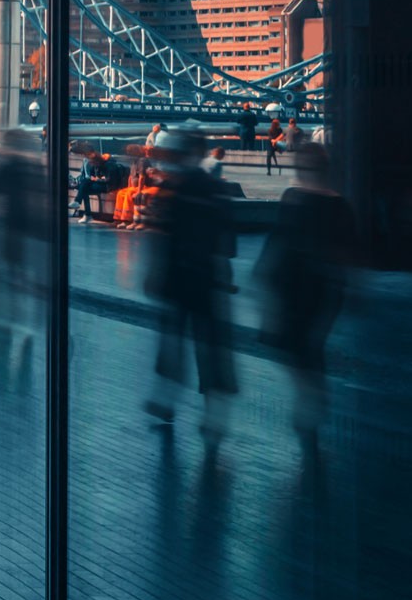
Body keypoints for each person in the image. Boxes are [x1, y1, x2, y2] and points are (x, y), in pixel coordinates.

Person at [141, 128, 239, 444]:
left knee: (172, 341)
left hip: (177, 276)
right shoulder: (213, 189)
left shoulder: (174, 189)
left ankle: (167, 401)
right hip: (206, 277)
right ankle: (214, 414)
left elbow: (162, 234)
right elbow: (228, 239)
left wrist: (155, 272)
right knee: (209, 347)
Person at [255, 143, 351, 442]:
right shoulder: (332, 204)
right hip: (310, 285)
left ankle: (310, 397)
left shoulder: (297, 199)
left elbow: (278, 238)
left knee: (298, 344)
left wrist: (262, 270)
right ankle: (312, 394)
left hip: (304, 284)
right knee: (302, 345)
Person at [0, 130, 49, 346]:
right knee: (30, 278)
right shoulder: (35, 165)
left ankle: (7, 319)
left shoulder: (5, 164)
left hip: (7, 226)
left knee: (5, 275)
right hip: (35, 229)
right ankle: (31, 323)